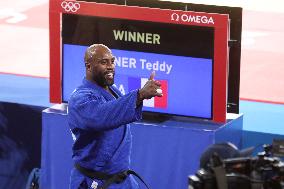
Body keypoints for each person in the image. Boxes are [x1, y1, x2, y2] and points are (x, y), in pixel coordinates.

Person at [68, 44, 163, 189]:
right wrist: (139, 95)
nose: (110, 66)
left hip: (122, 180)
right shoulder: (80, 99)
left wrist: (138, 97)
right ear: (88, 66)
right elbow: (101, 116)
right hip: (95, 182)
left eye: (112, 61)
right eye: (103, 62)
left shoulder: (112, 90)